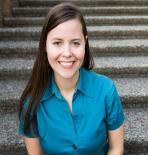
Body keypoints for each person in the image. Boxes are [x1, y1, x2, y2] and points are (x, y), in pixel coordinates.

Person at [18, 2, 125, 155]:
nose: (67, 53)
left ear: (85, 43)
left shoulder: (106, 89)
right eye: (57, 43)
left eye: (75, 43)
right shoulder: (32, 102)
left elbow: (116, 148)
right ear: (44, 46)